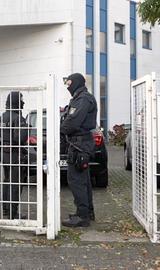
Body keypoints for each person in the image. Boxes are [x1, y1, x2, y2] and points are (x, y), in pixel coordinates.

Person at [60, 73, 97, 227]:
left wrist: (60, 129)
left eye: (69, 83)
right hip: (80, 144)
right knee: (83, 181)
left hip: (79, 145)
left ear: (75, 83)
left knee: (76, 180)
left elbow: (72, 123)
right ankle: (87, 212)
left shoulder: (82, 99)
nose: (67, 86)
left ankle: (82, 216)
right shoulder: (79, 98)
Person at [0, 91, 29, 219]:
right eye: (21, 100)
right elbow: (20, 138)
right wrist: (26, 128)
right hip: (15, 154)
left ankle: (6, 209)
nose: (23, 102)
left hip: (3, 153)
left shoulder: (2, 116)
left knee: (7, 181)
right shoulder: (18, 118)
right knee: (16, 183)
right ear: (16, 101)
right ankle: (12, 213)